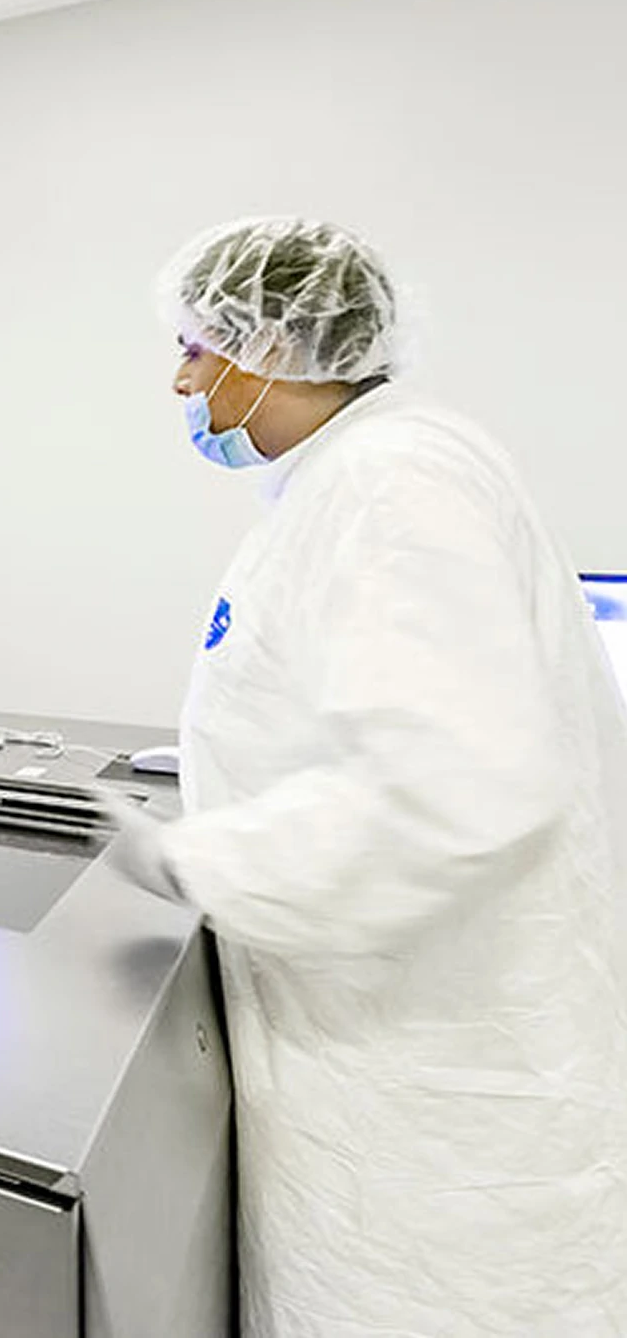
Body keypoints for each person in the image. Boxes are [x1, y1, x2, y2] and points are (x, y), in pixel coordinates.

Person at [104, 217, 627, 1337]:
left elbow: (456, 789)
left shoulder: (392, 484)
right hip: (397, 1063)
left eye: (196, 347)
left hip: (441, 1114)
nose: (180, 380)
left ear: (273, 345)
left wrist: (201, 861)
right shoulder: (358, 476)